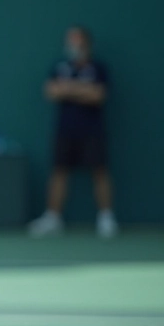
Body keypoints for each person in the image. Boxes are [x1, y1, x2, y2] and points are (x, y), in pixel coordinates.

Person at [28, 25, 117, 239]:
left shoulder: (98, 68)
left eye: (77, 41)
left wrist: (69, 89)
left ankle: (106, 218)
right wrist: (81, 89)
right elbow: (51, 91)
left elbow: (98, 95)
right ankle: (53, 217)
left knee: (100, 171)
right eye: (70, 41)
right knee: (59, 172)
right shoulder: (59, 66)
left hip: (92, 131)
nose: (73, 45)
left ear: (87, 43)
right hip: (64, 131)